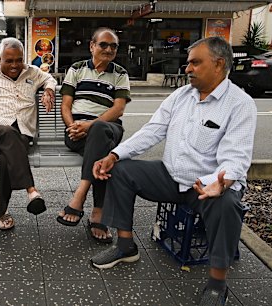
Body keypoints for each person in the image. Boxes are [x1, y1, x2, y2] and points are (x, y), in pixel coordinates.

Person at [90, 37, 256, 306]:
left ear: (219, 64)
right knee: (120, 171)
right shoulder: (182, 95)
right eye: (188, 63)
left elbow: (235, 157)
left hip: (207, 185)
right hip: (170, 176)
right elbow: (153, 130)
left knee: (227, 204)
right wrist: (113, 154)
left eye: (195, 63)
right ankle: (125, 246)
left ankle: (217, 284)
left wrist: (218, 183)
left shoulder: (240, 104)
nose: (187, 69)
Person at [0, 37, 56, 229]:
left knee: (5, 159)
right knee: (7, 133)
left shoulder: (32, 72)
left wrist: (48, 90)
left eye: (18, 59)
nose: (15, 65)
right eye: (9, 60)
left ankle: (1, 211)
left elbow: (49, 78)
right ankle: (31, 190)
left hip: (21, 132)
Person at [56, 27, 130, 243]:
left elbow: (118, 110)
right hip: (77, 132)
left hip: (109, 128)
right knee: (103, 151)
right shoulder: (77, 69)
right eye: (103, 44)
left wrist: (89, 126)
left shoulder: (120, 73)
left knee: (99, 131)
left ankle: (79, 195)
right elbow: (66, 105)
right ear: (92, 46)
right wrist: (72, 127)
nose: (109, 49)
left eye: (113, 46)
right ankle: (98, 212)